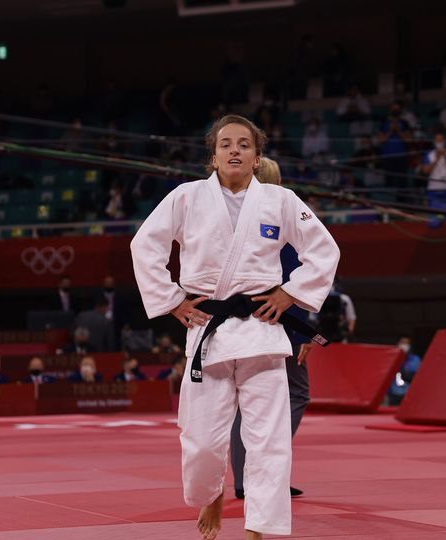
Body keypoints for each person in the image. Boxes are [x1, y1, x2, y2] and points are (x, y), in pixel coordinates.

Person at [130, 114, 339, 540]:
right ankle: (212, 493)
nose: (235, 151)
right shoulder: (186, 197)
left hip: (262, 332)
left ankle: (259, 525)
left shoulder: (280, 200)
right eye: (226, 144)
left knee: (268, 439)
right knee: (202, 440)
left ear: (257, 156)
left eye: (244, 144)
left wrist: (290, 293)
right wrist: (172, 301)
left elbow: (324, 250)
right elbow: (145, 245)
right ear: (213, 156)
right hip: (209, 329)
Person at [230, 156, 317, 502]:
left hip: (242, 321)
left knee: (245, 403)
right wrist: (305, 331)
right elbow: (298, 278)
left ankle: (244, 479)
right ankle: (267, 469)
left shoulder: (237, 219)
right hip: (283, 323)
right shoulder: (284, 215)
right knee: (295, 395)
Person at [421, 133, 446, 208]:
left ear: (444, 142)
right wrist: (436, 159)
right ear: (434, 142)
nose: (439, 143)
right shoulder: (429, 154)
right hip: (433, 189)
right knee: (434, 212)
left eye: (441, 141)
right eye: (438, 141)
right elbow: (425, 171)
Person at [386, 336, 423, 405]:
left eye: (407, 343)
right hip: (393, 394)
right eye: (403, 342)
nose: (404, 345)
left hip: (409, 394)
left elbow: (417, 377)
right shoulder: (390, 358)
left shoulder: (415, 359)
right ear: (398, 343)